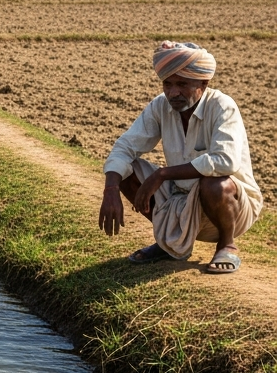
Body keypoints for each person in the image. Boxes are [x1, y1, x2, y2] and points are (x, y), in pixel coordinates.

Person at [98, 40, 262, 273]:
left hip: (229, 208)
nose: (173, 92)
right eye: (168, 84)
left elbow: (225, 160)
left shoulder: (222, 106)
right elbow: (125, 146)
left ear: (203, 83)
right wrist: (110, 190)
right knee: (125, 170)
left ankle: (227, 245)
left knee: (216, 182)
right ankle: (169, 245)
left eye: (182, 84)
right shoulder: (160, 106)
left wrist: (162, 175)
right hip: (180, 198)